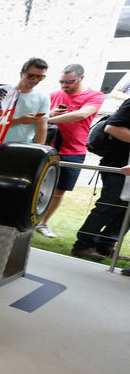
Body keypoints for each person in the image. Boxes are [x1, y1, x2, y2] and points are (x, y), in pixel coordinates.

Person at [37, 64, 106, 238]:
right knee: (36, 185)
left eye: (69, 82)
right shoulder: (53, 95)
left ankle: (43, 223)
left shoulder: (95, 96)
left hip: (74, 150)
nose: (64, 85)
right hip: (47, 147)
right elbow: (39, 114)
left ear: (81, 78)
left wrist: (48, 119)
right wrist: (49, 114)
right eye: (62, 81)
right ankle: (30, 218)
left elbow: (81, 114)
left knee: (60, 190)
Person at [70, 98, 130, 261]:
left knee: (126, 211)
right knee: (108, 206)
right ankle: (83, 245)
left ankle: (106, 245)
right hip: (117, 165)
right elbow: (113, 127)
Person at [3, 58, 49, 145]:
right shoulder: (3, 93)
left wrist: (38, 150)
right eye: (31, 76)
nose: (35, 80)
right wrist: (20, 120)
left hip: (25, 146)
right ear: (21, 74)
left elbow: (42, 128)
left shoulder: (43, 98)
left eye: (40, 77)